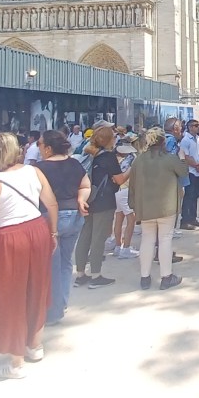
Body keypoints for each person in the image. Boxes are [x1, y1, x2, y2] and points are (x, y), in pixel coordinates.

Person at [0, 132, 59, 379]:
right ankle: (35, 344)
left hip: (10, 237)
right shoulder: (33, 171)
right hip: (37, 229)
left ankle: (16, 361)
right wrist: (52, 232)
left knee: (11, 295)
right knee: (38, 287)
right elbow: (51, 203)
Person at [35, 130, 89, 326]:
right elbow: (85, 185)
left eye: (39, 144)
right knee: (66, 262)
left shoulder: (38, 169)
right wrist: (81, 201)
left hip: (50, 219)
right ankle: (62, 303)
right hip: (74, 216)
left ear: (48, 148)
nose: (37, 148)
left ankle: (53, 311)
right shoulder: (75, 163)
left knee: (51, 266)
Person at [128, 127, 188, 290]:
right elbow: (183, 172)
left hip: (145, 207)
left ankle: (145, 277)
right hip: (166, 207)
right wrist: (182, 158)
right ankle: (166, 276)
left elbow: (132, 184)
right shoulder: (170, 158)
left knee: (147, 240)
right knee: (165, 240)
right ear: (163, 142)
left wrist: (133, 204)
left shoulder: (138, 160)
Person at [74, 123, 130, 289]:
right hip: (104, 199)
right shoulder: (108, 157)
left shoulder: (89, 154)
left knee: (85, 236)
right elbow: (119, 179)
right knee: (98, 238)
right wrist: (131, 170)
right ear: (108, 140)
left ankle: (80, 274)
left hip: (88, 197)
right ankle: (96, 275)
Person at [112, 143, 140, 259]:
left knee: (118, 219)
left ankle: (118, 246)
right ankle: (126, 248)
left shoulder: (113, 160)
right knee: (131, 219)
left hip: (116, 191)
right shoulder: (131, 159)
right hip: (125, 190)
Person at [179, 119, 199, 227]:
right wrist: (196, 165)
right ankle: (185, 220)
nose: (197, 127)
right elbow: (186, 156)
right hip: (191, 171)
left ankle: (193, 217)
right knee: (189, 195)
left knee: (196, 195)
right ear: (190, 127)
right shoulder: (185, 140)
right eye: (195, 126)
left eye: (198, 125)